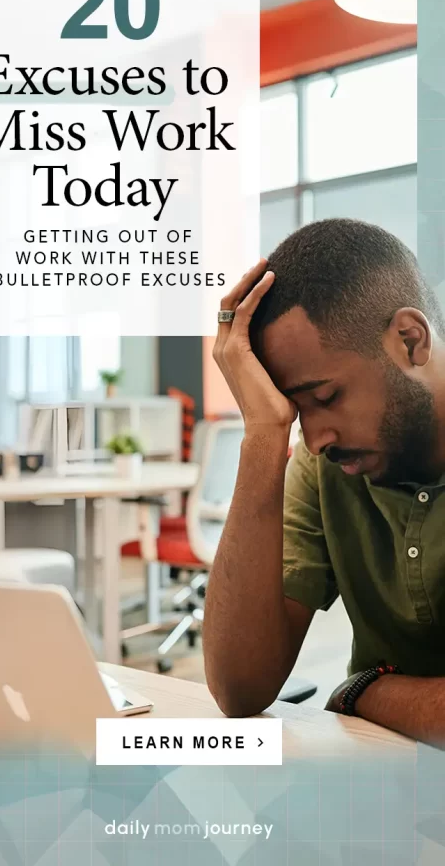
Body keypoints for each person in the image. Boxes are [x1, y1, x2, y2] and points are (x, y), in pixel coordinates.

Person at [203, 218, 445, 746]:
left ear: (410, 340)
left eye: (327, 397)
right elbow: (238, 688)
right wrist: (265, 433)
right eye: (296, 409)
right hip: (383, 790)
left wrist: (362, 691)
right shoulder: (330, 464)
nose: (314, 439)